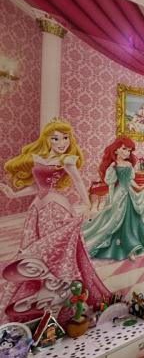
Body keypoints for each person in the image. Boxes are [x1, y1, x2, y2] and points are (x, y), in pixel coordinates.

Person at [0, 119, 111, 323]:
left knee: (56, 251)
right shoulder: (38, 158)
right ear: (47, 140)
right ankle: (42, 297)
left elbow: (78, 182)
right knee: (39, 253)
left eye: (65, 138)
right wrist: (14, 195)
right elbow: (37, 186)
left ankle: (61, 297)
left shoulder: (67, 160)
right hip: (37, 210)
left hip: (56, 208)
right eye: (56, 138)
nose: (62, 142)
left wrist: (88, 206)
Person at [82, 135, 144, 261]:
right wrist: (110, 200)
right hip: (118, 194)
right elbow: (111, 184)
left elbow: (130, 180)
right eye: (124, 149)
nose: (127, 152)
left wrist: (138, 187)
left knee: (131, 218)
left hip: (129, 194)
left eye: (129, 150)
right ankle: (125, 246)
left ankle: (132, 245)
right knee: (116, 219)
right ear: (116, 150)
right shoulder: (113, 165)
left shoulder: (128, 164)